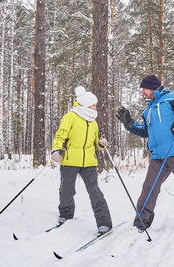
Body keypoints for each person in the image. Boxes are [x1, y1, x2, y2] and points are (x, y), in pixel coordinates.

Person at [116, 74, 174, 232]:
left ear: (152, 87)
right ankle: (141, 222)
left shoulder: (172, 98)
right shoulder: (148, 110)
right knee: (149, 189)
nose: (142, 92)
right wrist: (129, 124)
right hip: (158, 157)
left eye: (144, 89)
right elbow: (145, 131)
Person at [51, 86, 113, 236]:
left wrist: (101, 143)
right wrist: (56, 149)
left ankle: (104, 222)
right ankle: (65, 215)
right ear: (85, 104)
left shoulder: (93, 122)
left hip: (89, 163)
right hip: (70, 160)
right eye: (93, 104)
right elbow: (61, 135)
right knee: (67, 190)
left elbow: (95, 143)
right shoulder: (70, 117)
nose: (95, 107)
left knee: (95, 192)